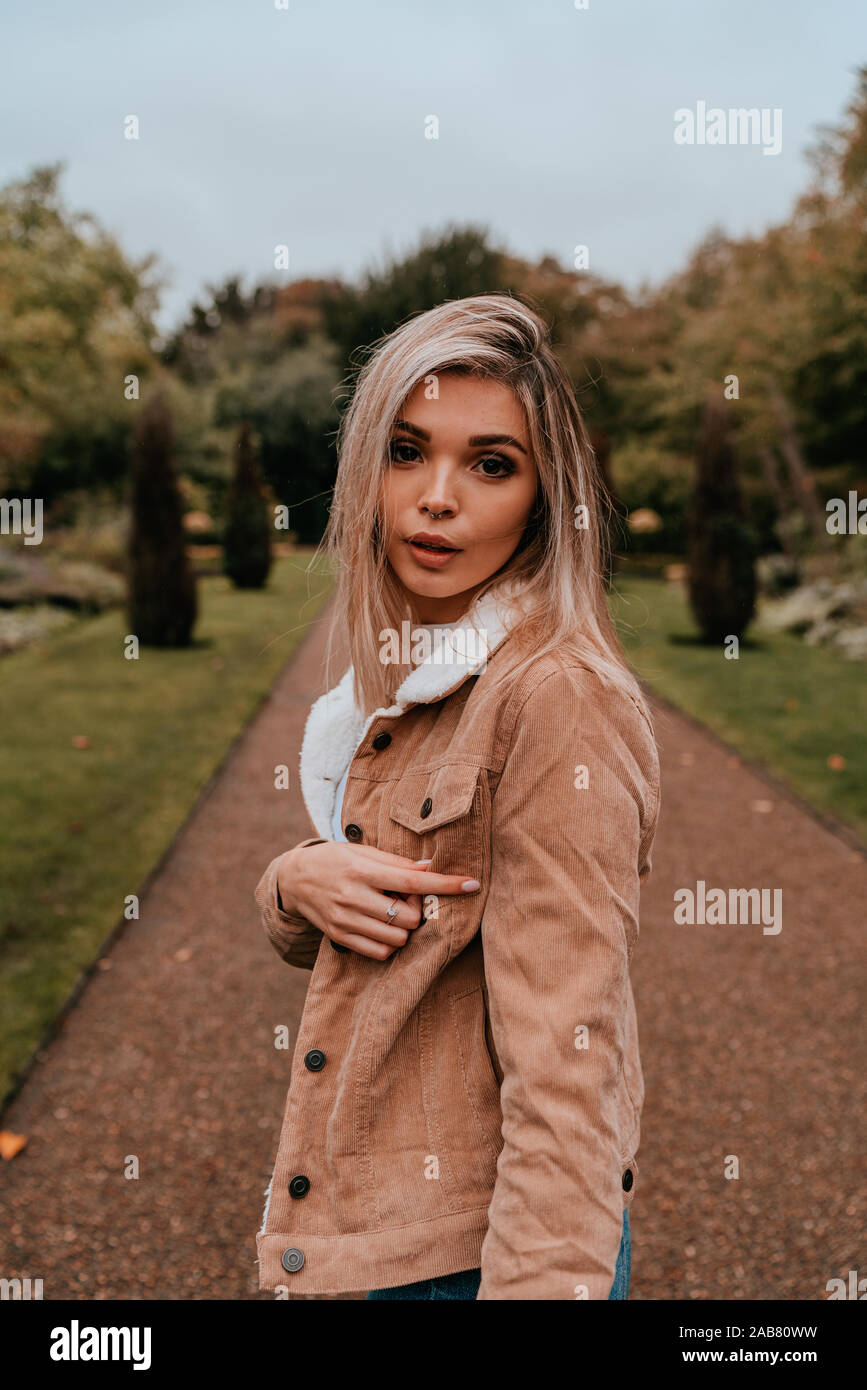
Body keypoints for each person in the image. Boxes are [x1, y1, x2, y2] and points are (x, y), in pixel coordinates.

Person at [253, 293, 660, 1300]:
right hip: (368, 1239)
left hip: (466, 1262)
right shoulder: (399, 678)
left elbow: (572, 1055)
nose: (438, 497)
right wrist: (294, 879)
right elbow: (387, 917)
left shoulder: (556, 695)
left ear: (541, 497)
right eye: (406, 450)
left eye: (490, 463)